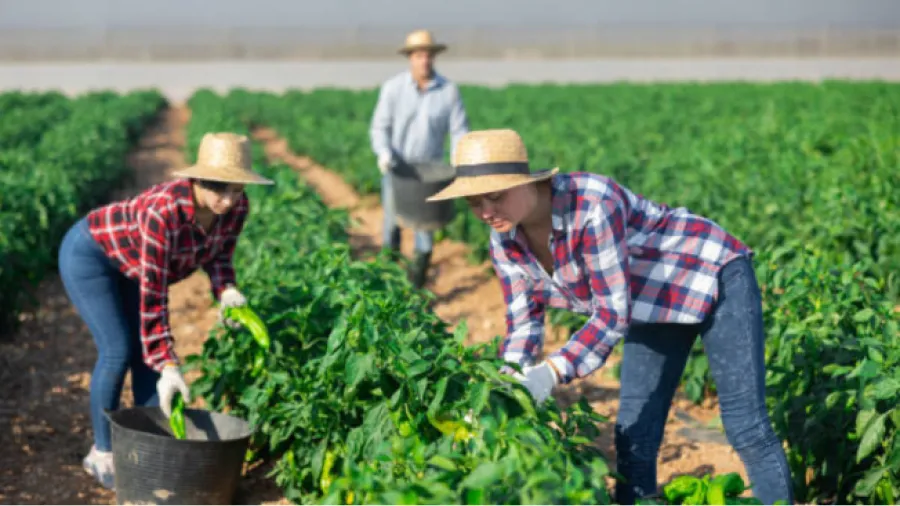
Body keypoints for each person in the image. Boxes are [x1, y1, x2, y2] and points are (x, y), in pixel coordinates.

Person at [426, 129, 794, 505]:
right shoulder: (504, 239)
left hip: (710, 273)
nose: (486, 212)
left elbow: (612, 314)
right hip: (650, 301)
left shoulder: (591, 204)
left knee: (744, 424)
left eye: (495, 196)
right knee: (634, 433)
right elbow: (523, 322)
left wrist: (550, 373)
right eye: (475, 202)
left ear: (525, 183)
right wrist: (501, 389)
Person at [58, 132, 273, 489]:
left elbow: (219, 257)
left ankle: (151, 442)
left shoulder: (237, 209)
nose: (227, 200)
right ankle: (102, 452)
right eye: (219, 188)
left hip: (132, 264)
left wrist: (227, 290)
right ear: (197, 179)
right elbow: (154, 295)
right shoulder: (165, 212)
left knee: (148, 357)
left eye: (236, 189)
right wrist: (171, 364)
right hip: (91, 254)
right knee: (118, 350)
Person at [369, 28, 470, 288]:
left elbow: (459, 130)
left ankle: (416, 289)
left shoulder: (448, 91)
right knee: (392, 226)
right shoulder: (393, 89)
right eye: (418, 55)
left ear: (434, 57)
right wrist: (383, 153)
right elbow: (380, 127)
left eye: (428, 55)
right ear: (410, 58)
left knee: (425, 233)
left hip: (432, 173)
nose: (424, 60)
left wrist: (460, 160)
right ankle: (388, 287)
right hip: (398, 170)